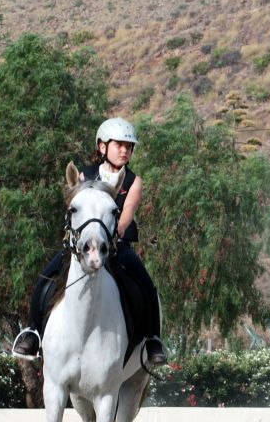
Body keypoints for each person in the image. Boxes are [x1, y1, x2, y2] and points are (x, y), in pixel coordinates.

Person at [11, 117, 167, 367]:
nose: (125, 150)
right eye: (119, 144)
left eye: (129, 146)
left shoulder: (133, 181)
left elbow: (126, 214)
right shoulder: (86, 174)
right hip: (82, 247)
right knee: (46, 278)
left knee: (145, 282)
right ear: (102, 146)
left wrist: (114, 233)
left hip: (116, 245)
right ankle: (32, 333)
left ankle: (152, 341)